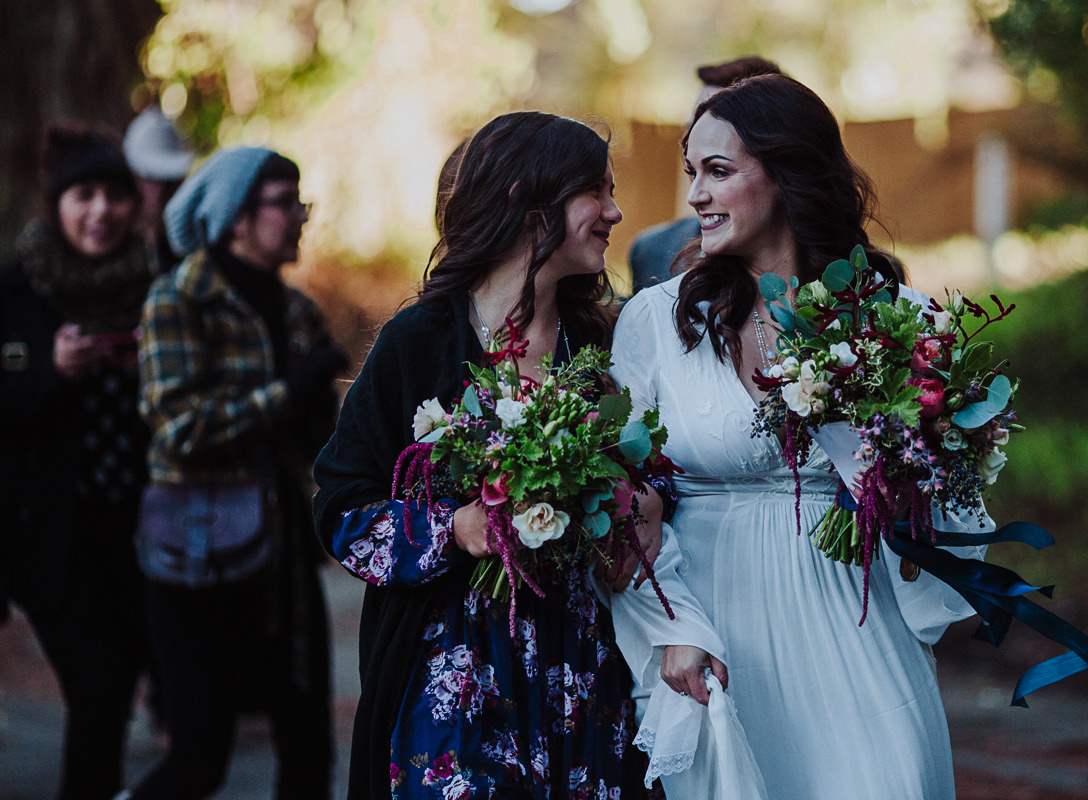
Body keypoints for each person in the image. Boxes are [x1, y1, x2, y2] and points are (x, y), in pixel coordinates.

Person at [608, 74, 989, 798]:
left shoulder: (898, 320)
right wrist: (670, 627)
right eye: (692, 173)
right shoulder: (655, 322)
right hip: (717, 637)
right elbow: (623, 503)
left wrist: (908, 476)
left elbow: (950, 504)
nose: (695, 196)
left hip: (858, 621)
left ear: (786, 175)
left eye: (718, 172)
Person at [312, 111, 656, 799]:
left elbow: (649, 483)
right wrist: (457, 528)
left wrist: (635, 503)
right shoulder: (417, 340)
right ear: (530, 206)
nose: (615, 211)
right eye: (597, 191)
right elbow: (341, 509)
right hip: (453, 670)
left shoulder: (604, 345)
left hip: (580, 668)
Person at [127, 146, 342, 800]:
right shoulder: (178, 299)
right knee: (198, 756)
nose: (301, 217)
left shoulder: (298, 309)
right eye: (286, 203)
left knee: (309, 749)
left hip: (284, 562)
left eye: (300, 201)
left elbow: (314, 444)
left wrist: (325, 407)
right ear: (236, 219)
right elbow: (179, 429)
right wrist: (287, 392)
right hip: (201, 558)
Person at [0, 120, 152, 800]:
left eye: (115, 195)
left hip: (137, 531)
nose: (101, 212)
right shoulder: (16, 290)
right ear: (56, 202)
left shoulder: (156, 287)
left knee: (114, 690)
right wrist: (51, 374)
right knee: (98, 684)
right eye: (83, 194)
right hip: (47, 537)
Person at [625, 55, 782, 294]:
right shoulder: (651, 250)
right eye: (691, 126)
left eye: (717, 125)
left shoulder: (846, 272)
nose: (694, 143)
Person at [122, 106, 196, 272]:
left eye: (170, 181)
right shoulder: (115, 244)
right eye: (150, 179)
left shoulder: (192, 245)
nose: (160, 192)